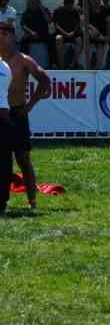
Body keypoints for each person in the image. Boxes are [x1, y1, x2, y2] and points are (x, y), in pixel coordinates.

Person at [0, 21, 46, 211]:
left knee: (23, 159)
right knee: (2, 161)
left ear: (13, 37)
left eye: (5, 33)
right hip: (0, 115)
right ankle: (2, 201)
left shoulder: (23, 60)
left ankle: (32, 200)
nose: (1, 36)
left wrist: (30, 105)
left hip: (17, 113)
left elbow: (44, 80)